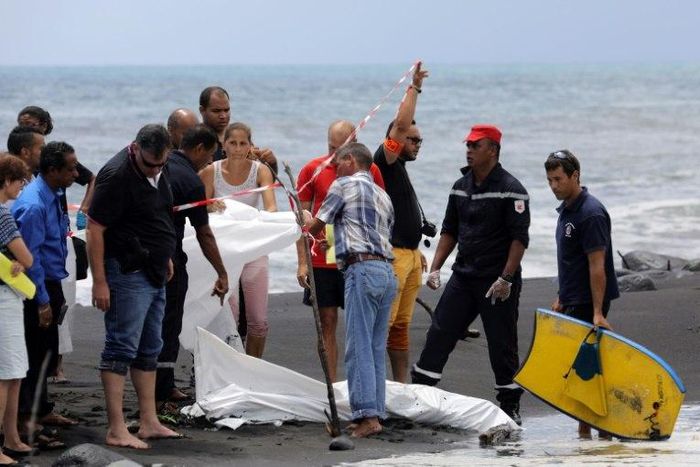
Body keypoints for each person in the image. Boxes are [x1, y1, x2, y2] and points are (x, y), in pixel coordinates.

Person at [411, 125, 530, 425]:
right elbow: (450, 230)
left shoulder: (511, 189)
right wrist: (436, 267)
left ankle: (509, 404)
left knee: (502, 343)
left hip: (496, 281)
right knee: (440, 330)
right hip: (464, 276)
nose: (469, 149)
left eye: (476, 145)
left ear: (492, 149)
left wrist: (506, 278)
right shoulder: (459, 186)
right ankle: (420, 395)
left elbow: (519, 239)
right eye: (468, 144)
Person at [87, 124, 180, 449]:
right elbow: (95, 229)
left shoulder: (159, 167)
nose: (156, 169)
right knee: (121, 346)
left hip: (154, 267)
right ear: (136, 148)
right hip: (125, 270)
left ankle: (149, 420)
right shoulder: (116, 175)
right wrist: (100, 282)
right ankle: (115, 428)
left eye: (161, 163)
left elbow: (155, 214)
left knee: (150, 346)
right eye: (150, 164)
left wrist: (163, 255)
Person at [305, 142, 396, 438]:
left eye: (337, 163)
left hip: (362, 270)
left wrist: (306, 221)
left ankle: (366, 416)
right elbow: (369, 234)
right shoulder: (383, 196)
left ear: (349, 160)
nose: (334, 169)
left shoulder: (342, 185)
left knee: (358, 346)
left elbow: (317, 224)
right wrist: (334, 242)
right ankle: (375, 411)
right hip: (385, 272)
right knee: (374, 346)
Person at [295, 120, 385, 382]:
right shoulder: (312, 169)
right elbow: (301, 221)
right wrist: (302, 263)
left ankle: (361, 384)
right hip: (322, 260)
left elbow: (380, 214)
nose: (335, 157)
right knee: (327, 322)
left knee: (361, 326)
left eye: (341, 150)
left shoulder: (372, 171)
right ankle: (331, 387)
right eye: (331, 148)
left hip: (357, 258)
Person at [544, 149, 619, 438]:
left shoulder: (591, 213)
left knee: (588, 370)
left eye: (558, 179)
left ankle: (598, 433)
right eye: (549, 180)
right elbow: (571, 260)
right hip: (575, 299)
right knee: (582, 370)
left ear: (575, 175)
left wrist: (598, 312)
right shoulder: (568, 209)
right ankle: (589, 436)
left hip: (591, 302)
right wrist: (564, 296)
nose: (553, 186)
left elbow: (596, 266)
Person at [11, 141, 80, 446]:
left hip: (52, 281)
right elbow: (28, 258)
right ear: (52, 170)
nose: (76, 173)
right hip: (34, 288)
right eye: (70, 169)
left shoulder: (55, 193)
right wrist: (41, 301)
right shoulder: (34, 204)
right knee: (32, 354)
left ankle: (39, 410)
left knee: (47, 352)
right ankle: (26, 422)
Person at [155, 124, 229, 403]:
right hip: (169, 258)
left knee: (151, 320)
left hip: (139, 255)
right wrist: (222, 272)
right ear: (198, 149)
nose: (209, 162)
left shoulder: (161, 164)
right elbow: (204, 233)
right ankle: (163, 386)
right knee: (169, 320)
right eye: (209, 156)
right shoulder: (191, 180)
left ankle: (151, 380)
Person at [200, 122, 276, 358]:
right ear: (223, 145)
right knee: (228, 316)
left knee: (259, 320)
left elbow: (271, 208)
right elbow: (197, 209)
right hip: (224, 252)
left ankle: (252, 369)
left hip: (253, 247)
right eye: (232, 143)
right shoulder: (211, 171)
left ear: (250, 145)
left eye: (243, 143)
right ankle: (230, 370)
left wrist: (257, 221)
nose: (237, 148)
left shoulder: (260, 170)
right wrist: (211, 205)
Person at [373, 62, 429, 382]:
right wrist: (415, 88)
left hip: (409, 255)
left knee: (401, 327)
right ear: (397, 140)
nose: (417, 144)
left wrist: (415, 249)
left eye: (420, 140)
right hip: (392, 255)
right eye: (413, 139)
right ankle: (376, 384)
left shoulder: (401, 169)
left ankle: (401, 386)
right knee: (384, 323)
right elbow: (400, 124)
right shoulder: (386, 159)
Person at [0, 155, 36, 463]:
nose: (22, 188)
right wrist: (19, 261)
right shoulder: (3, 215)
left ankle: (10, 436)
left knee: (13, 371)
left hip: (6, 294)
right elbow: (26, 259)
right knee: (6, 372)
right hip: (4, 298)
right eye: (20, 182)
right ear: (8, 181)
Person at [198, 86, 278, 170]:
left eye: (226, 110)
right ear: (202, 110)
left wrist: (271, 164)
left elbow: (263, 180)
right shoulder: (197, 140)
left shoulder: (239, 137)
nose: (223, 116)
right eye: (216, 111)